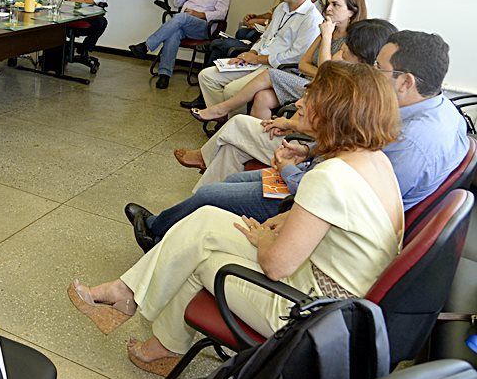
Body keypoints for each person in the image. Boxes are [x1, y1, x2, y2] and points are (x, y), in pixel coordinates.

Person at [74, 61, 403, 371]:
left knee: (199, 257)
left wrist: (264, 238)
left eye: (310, 95)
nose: (300, 102)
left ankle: (153, 332)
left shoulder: (330, 177)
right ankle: (129, 300)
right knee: (206, 218)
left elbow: (275, 266)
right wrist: (286, 223)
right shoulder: (374, 161)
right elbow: (342, 222)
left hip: (307, 311)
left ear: (334, 113)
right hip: (338, 301)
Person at [128, 24, 465, 252]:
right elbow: (353, 152)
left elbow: (340, 199)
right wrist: (307, 150)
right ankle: (168, 230)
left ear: (406, 82)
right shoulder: (434, 111)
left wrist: (290, 169)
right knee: (232, 179)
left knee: (215, 193)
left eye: (379, 68)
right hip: (315, 184)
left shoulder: (412, 143)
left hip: (319, 217)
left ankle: (157, 232)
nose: (371, 76)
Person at [192, 0, 365, 121]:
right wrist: (318, 69)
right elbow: (303, 64)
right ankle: (253, 142)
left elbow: (328, 72)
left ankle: (222, 109)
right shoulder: (325, 30)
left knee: (270, 74)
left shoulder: (351, 40)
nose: (328, 9)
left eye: (336, 5)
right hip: (306, 80)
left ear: (352, 11)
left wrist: (326, 37)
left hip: (326, 89)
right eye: (328, 4)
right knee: (262, 98)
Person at [196, 0, 323, 114]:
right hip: (258, 60)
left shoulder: (312, 19)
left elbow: (296, 56)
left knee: (232, 90)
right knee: (206, 76)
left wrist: (258, 59)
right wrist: (250, 53)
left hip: (277, 68)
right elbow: (265, 37)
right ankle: (222, 119)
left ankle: (234, 125)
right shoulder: (282, 8)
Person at [181, 0, 300, 110]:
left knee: (218, 44)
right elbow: (268, 30)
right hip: (259, 49)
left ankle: (218, 111)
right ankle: (218, 113)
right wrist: (252, 50)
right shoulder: (283, 6)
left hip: (272, 64)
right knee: (237, 35)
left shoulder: (309, 17)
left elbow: (293, 55)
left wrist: (256, 55)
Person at [128, 0, 229, 89]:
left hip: (204, 28)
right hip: (184, 24)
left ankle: (146, 46)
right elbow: (177, 3)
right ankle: (164, 75)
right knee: (173, 33)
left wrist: (198, 14)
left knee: (181, 17)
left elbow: (221, 14)